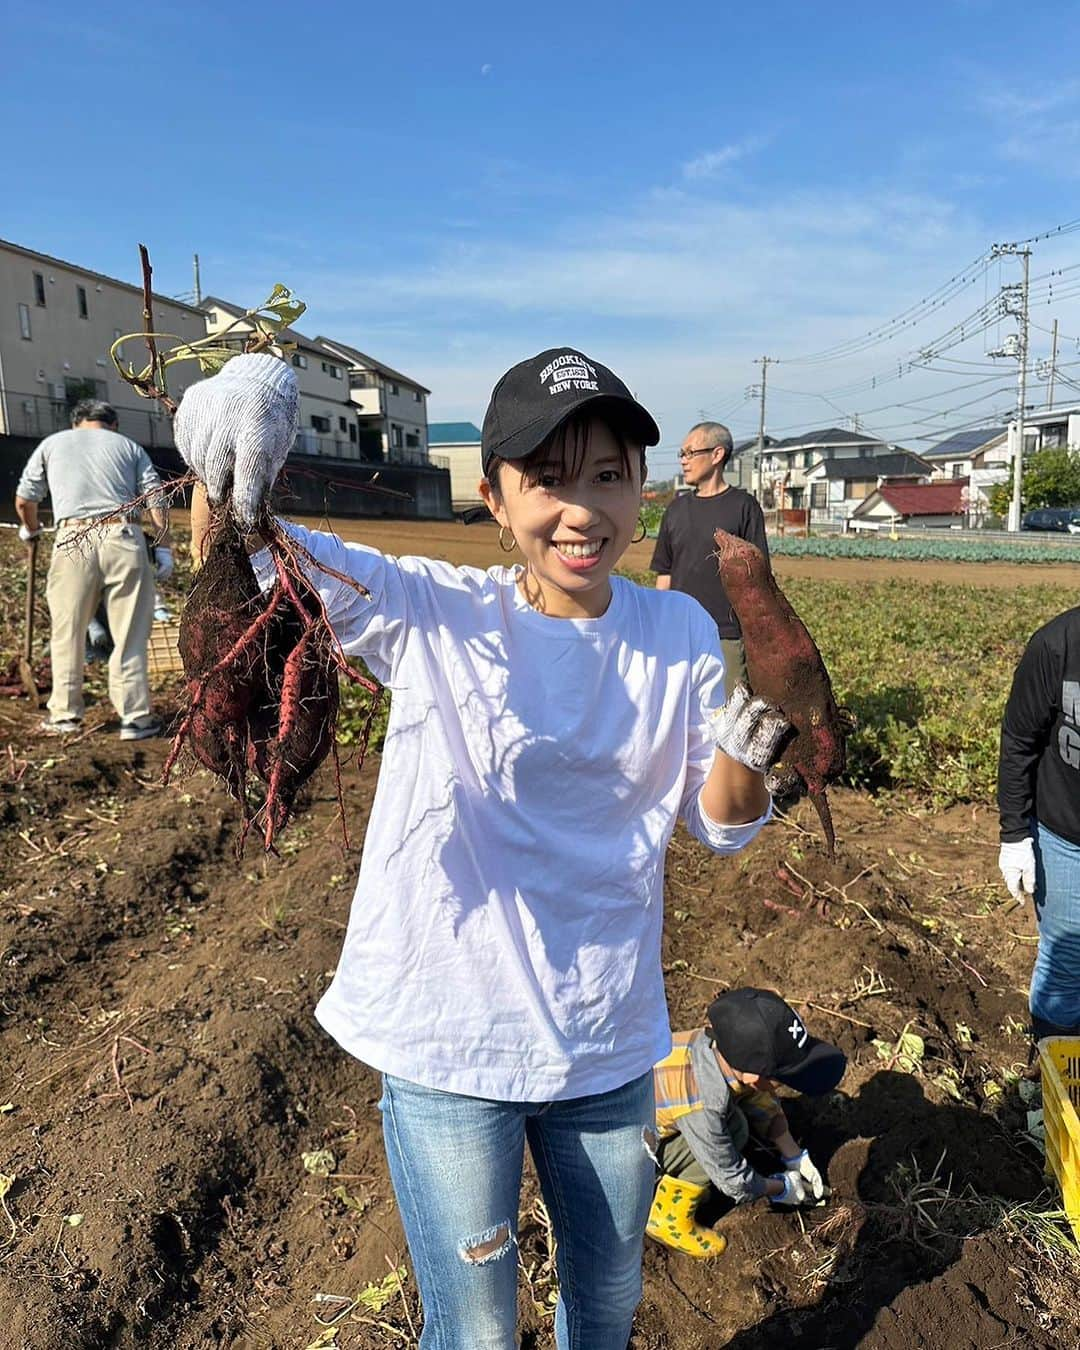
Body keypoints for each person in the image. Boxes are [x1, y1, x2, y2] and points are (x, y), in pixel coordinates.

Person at [176, 350, 791, 1350]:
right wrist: (234, 442)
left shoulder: (677, 633)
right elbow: (245, 563)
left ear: (644, 491)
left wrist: (747, 753)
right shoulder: (434, 610)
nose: (580, 510)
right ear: (496, 499)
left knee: (606, 1303)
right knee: (476, 1332)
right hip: (451, 1042)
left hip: (605, 1041)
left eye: (607, 476)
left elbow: (720, 823)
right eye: (548, 479)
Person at [14, 399, 172, 739]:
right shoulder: (129, 447)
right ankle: (136, 719)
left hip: (73, 538)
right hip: (124, 536)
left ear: (76, 423)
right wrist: (163, 547)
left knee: (67, 632)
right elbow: (157, 498)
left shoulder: (52, 444)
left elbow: (25, 500)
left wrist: (31, 529)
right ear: (113, 424)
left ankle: (65, 716)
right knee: (129, 633)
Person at [649, 988, 846, 1258]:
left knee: (735, 1117)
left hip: (656, 1109)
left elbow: (756, 1095)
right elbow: (731, 1177)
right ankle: (667, 1217)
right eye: (784, 1079)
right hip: (623, 1152)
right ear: (755, 1077)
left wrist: (793, 1155)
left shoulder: (717, 1047)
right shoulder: (703, 1103)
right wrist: (781, 1187)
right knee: (735, 1129)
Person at [998, 605, 1080, 1038]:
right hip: (1066, 837)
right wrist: (1014, 835)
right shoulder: (1057, 645)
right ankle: (1056, 1074)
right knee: (1066, 961)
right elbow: (1019, 741)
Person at [651, 422, 769, 696]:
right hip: (679, 633)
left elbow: (757, 577)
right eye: (681, 454)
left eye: (690, 452)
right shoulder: (676, 510)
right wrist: (660, 628)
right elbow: (664, 575)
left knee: (729, 714)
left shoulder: (744, 507)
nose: (684, 460)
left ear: (717, 455)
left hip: (726, 634)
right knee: (678, 710)